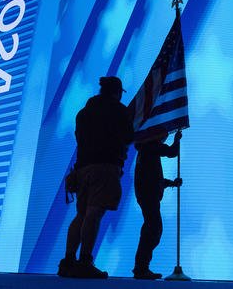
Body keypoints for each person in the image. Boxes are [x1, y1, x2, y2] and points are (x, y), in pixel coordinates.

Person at [58, 76, 134, 279]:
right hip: (105, 168)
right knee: (94, 213)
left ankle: (68, 262)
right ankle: (85, 262)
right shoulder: (118, 110)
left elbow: (80, 139)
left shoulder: (83, 114)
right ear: (117, 92)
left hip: (83, 169)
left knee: (81, 214)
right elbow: (128, 137)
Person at [132, 129, 183, 280]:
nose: (165, 135)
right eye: (163, 132)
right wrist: (177, 138)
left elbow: (153, 178)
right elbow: (172, 152)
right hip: (148, 196)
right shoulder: (150, 146)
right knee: (153, 230)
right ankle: (141, 267)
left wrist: (171, 183)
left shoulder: (146, 149)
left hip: (147, 195)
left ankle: (141, 266)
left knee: (151, 229)